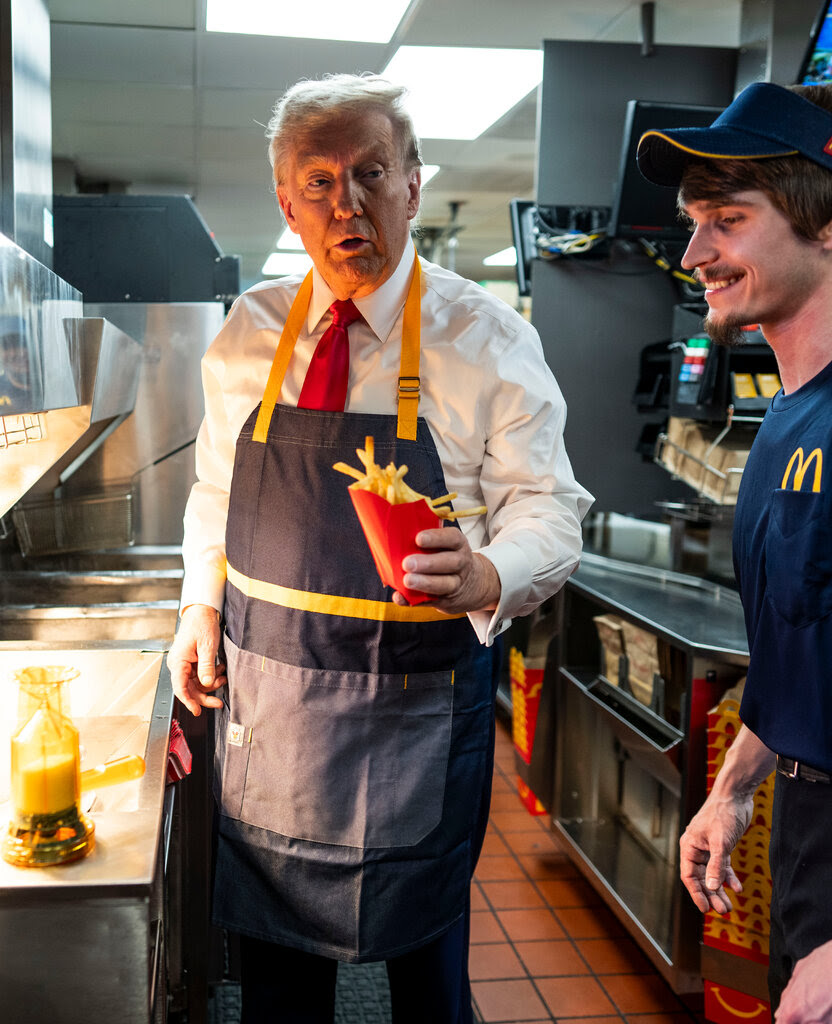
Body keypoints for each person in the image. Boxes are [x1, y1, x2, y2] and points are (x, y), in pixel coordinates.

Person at [167, 72, 591, 1024]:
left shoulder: (487, 338)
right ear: (287, 201)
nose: (345, 202)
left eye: (369, 172)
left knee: (427, 989)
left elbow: (552, 514)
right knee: (279, 992)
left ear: (413, 183)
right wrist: (199, 605)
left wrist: (488, 571)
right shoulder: (250, 334)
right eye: (317, 182)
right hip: (271, 722)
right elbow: (219, 491)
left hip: (416, 722)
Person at [637, 81, 832, 1023]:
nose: (694, 254)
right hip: (802, 833)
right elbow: (804, 653)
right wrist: (734, 790)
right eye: (693, 223)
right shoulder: (786, 422)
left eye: (728, 220)